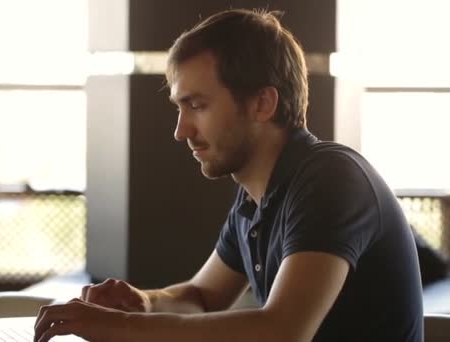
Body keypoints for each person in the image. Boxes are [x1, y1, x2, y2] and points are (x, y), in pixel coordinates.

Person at [34, 8, 423, 342]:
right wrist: (145, 302)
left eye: (197, 105)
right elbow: (202, 297)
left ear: (262, 103)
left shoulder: (331, 179)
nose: (181, 130)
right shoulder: (256, 197)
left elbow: (281, 332)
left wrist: (123, 327)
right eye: (180, 107)